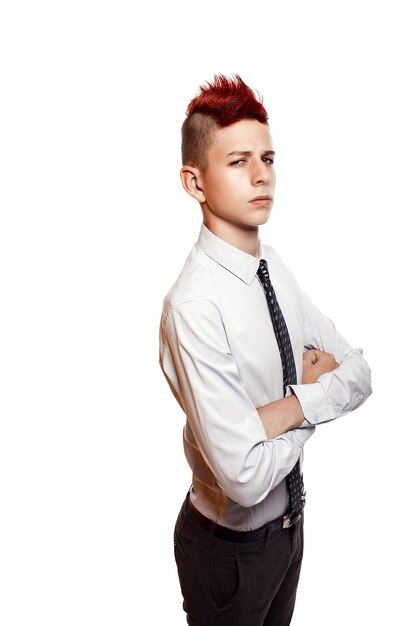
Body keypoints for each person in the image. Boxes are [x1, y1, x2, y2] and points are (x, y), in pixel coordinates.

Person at [158, 74, 372, 625]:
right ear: (195, 182)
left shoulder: (273, 265)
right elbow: (245, 477)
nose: (261, 175)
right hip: (227, 553)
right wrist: (313, 399)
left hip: (290, 529)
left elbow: (360, 372)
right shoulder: (194, 306)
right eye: (237, 161)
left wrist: (275, 414)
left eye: (268, 157)